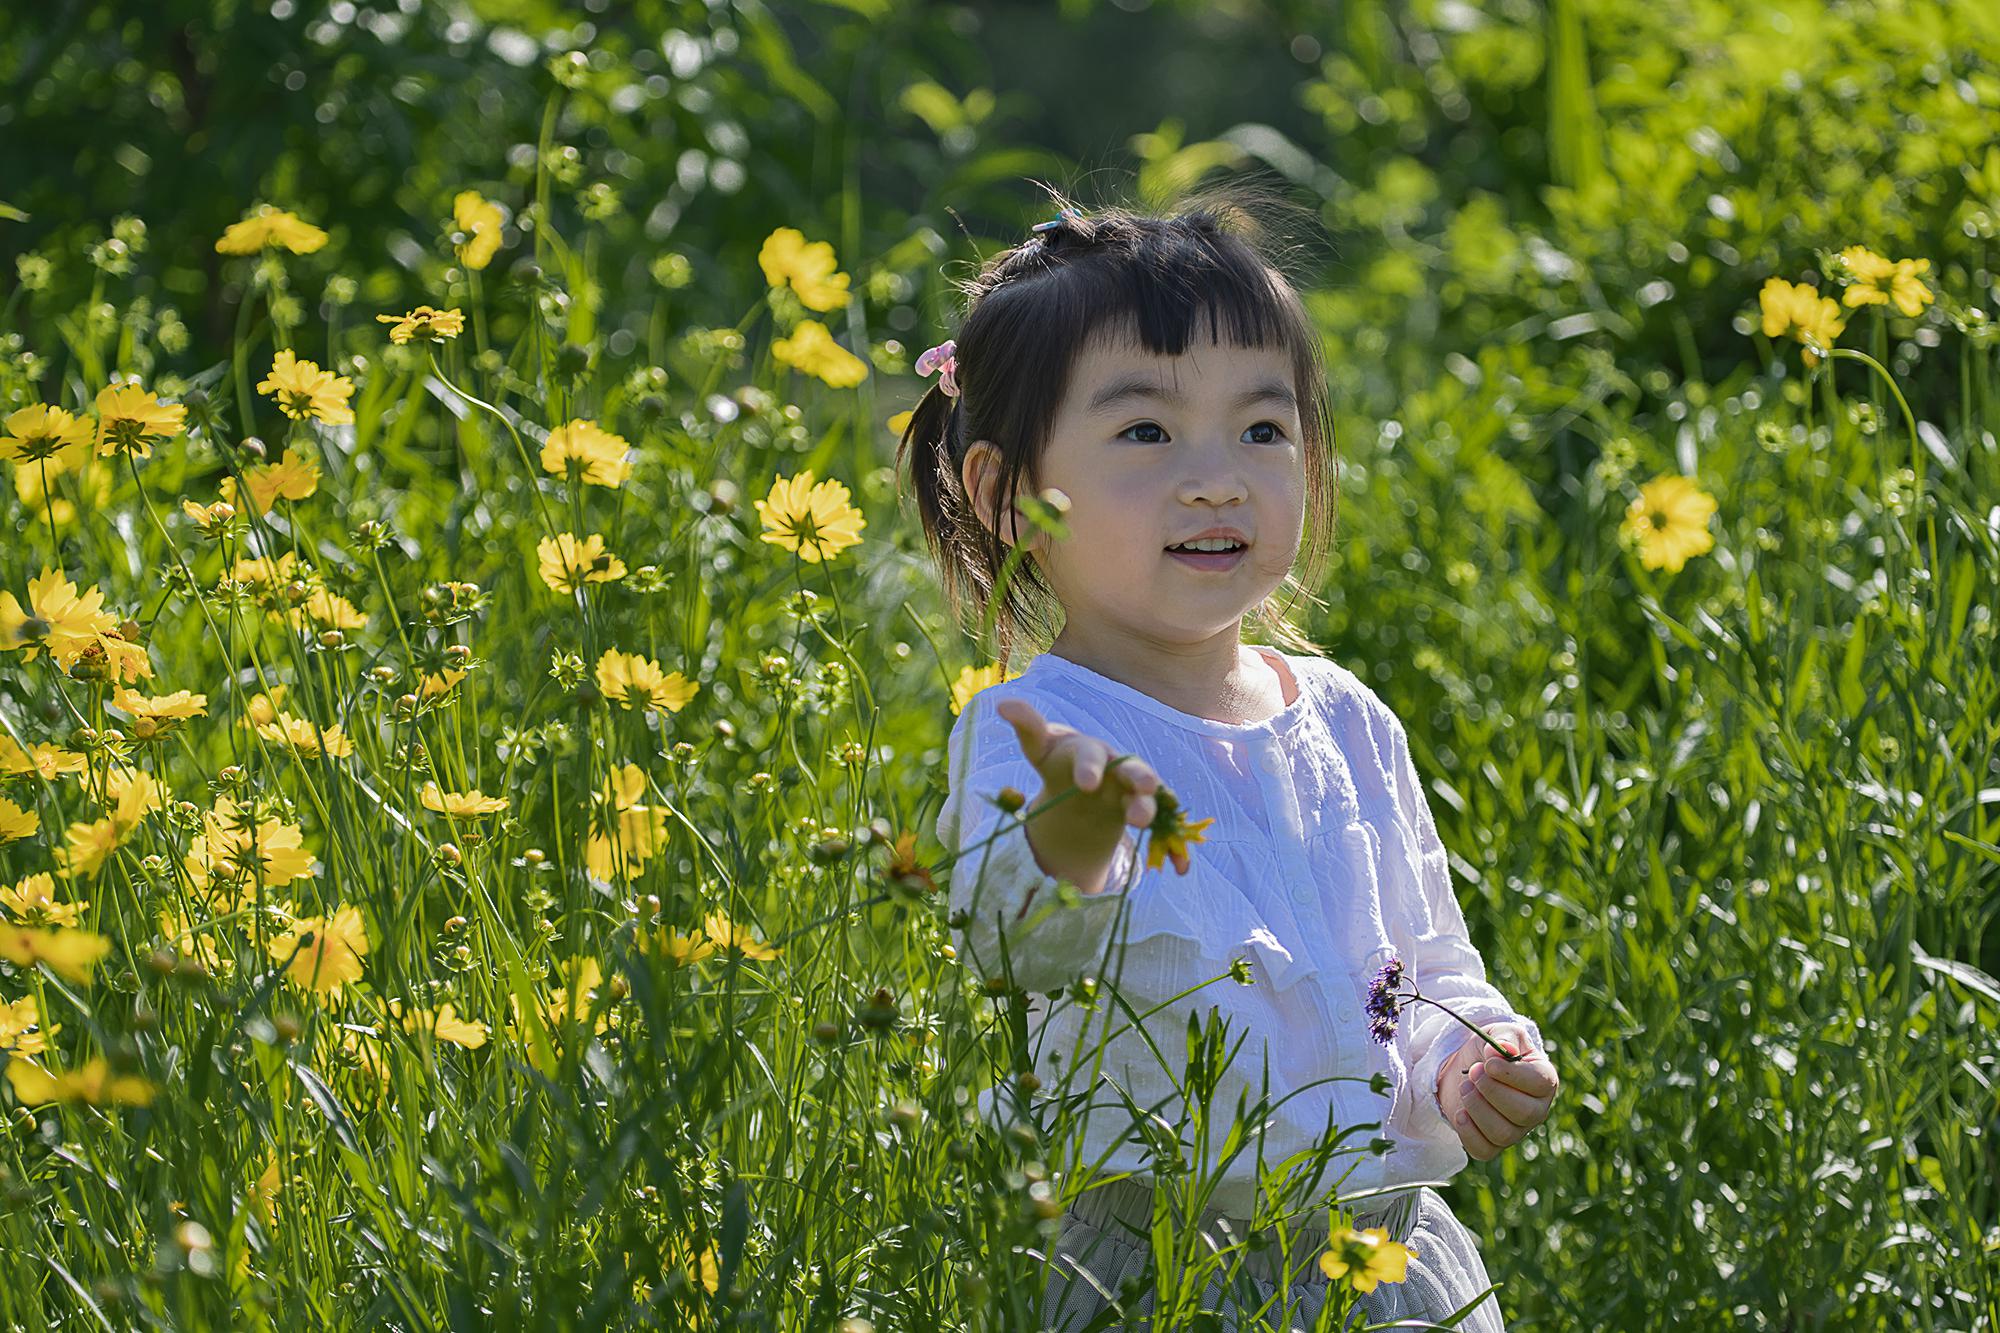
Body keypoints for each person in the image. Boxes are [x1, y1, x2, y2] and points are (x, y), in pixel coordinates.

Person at [896, 186, 1562, 1331]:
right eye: (1145, 432)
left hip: (1385, 1256)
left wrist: (1472, 1061)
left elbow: (1424, 966)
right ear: (1009, 497)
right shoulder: (1038, 729)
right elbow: (1013, 950)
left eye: (1261, 428)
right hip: (1164, 1265)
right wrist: (1067, 844)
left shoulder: (1349, 720)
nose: (1217, 478)